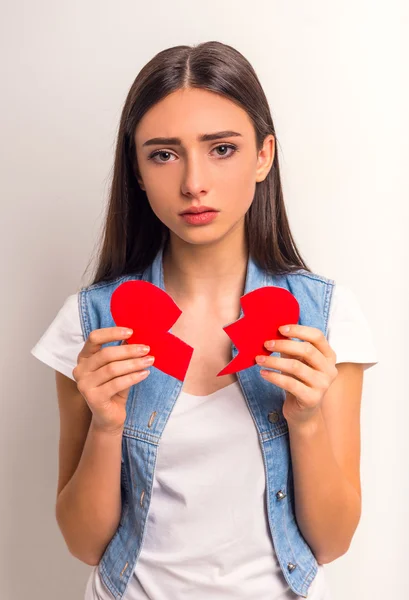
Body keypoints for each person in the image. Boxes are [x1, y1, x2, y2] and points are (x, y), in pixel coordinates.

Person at [31, 41, 378, 600]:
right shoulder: (90, 322)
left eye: (221, 148)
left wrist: (307, 420)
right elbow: (84, 543)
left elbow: (333, 540)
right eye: (163, 154)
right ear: (137, 170)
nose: (194, 181)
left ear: (264, 155)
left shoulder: (327, 319)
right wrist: (105, 425)